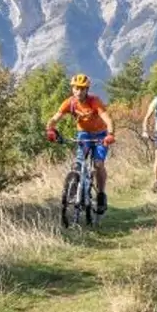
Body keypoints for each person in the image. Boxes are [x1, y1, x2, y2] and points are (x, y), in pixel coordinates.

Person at [46, 73, 115, 213]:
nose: (78, 91)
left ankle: (101, 195)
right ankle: (73, 191)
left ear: (87, 89)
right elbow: (55, 118)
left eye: (82, 88)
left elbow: (107, 119)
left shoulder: (94, 101)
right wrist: (50, 130)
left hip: (101, 134)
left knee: (98, 164)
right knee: (78, 163)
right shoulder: (70, 103)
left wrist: (110, 134)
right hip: (84, 134)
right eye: (76, 88)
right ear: (72, 88)